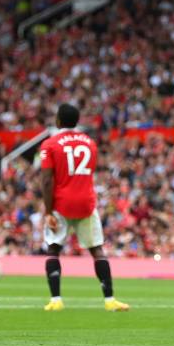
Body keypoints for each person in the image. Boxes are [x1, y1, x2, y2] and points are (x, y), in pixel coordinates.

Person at [40, 103, 129, 312]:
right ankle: (109, 300)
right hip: (86, 202)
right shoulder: (90, 143)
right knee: (97, 249)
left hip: (61, 202)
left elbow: (46, 180)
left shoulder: (50, 144)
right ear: (77, 121)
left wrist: (47, 211)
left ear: (58, 121)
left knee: (54, 247)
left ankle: (56, 300)